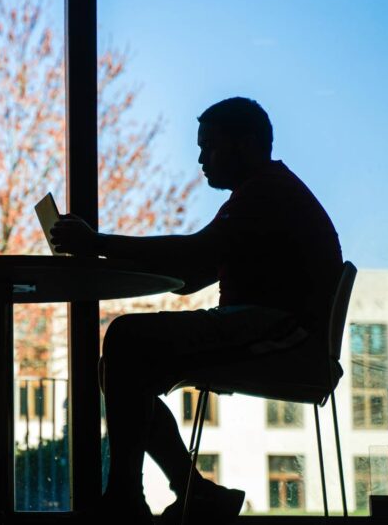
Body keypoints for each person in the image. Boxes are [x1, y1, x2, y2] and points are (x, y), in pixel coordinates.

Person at [51, 97, 343, 523]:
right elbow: (193, 272)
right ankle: (190, 492)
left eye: (209, 146)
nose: (202, 159)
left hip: (281, 332)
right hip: (283, 330)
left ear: (242, 144)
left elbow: (192, 258)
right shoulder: (266, 193)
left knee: (125, 342)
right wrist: (104, 251)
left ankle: (128, 499)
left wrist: (96, 245)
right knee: (123, 360)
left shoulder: (264, 194)